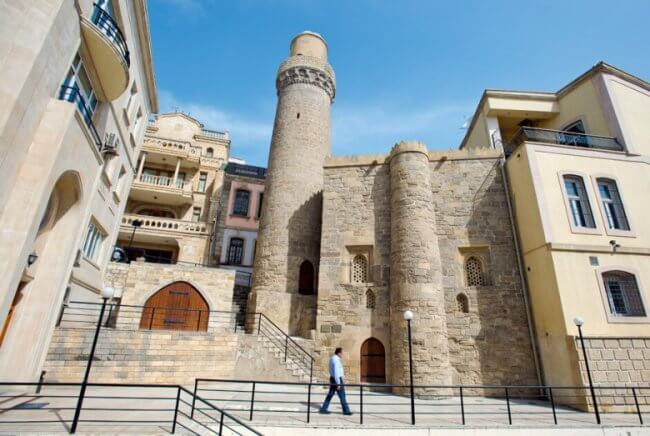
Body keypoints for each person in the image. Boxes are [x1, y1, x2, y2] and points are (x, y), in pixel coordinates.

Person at [319, 347, 352, 415]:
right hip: (337, 379)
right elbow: (336, 372)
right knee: (342, 395)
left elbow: (331, 370)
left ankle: (323, 409)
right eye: (342, 353)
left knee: (330, 394)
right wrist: (338, 383)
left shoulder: (332, 358)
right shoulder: (336, 360)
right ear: (339, 353)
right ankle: (346, 411)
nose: (342, 354)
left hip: (333, 378)